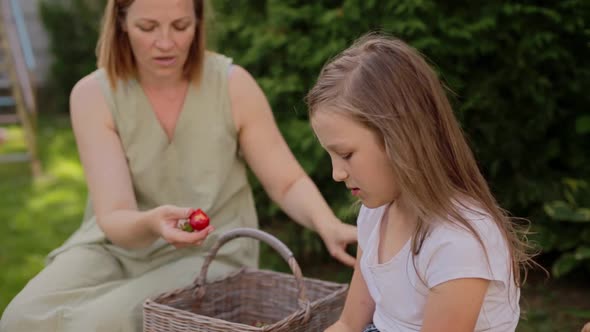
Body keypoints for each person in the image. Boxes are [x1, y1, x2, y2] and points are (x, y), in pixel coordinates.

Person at [0, 0, 356, 331]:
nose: (166, 42)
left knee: (97, 323)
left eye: (181, 25)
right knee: (19, 317)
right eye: (149, 27)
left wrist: (327, 224)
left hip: (211, 250)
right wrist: (154, 222)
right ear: (121, 22)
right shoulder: (93, 95)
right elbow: (116, 215)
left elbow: (287, 181)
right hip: (115, 244)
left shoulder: (233, 86)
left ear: (198, 22)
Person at [307, 33, 534, 332]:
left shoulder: (457, 243)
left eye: (346, 154)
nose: (337, 173)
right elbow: (349, 325)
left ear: (400, 139)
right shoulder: (375, 214)